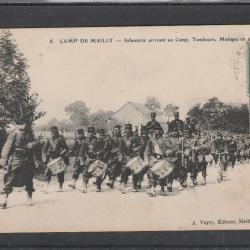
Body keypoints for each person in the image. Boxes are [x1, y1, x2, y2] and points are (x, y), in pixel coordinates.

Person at [0, 120, 38, 209]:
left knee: (29, 178)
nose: (23, 128)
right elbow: (6, 147)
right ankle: (4, 199)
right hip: (16, 158)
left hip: (28, 159)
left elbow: (37, 142)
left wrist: (32, 144)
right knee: (10, 177)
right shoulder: (14, 133)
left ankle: (29, 197)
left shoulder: (30, 133)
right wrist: (3, 160)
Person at [42, 126, 69, 193]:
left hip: (59, 157)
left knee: (60, 173)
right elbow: (44, 149)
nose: (53, 133)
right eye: (52, 132)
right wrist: (44, 158)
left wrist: (61, 153)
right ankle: (46, 187)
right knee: (48, 171)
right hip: (51, 158)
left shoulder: (61, 139)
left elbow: (66, 148)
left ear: (57, 132)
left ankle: (60, 187)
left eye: (54, 132)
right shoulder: (49, 139)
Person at [144, 126, 168, 196]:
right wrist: (146, 160)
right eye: (154, 130)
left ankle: (162, 188)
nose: (155, 131)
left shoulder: (164, 140)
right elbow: (146, 152)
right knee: (151, 172)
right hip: (153, 159)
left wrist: (169, 151)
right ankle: (152, 189)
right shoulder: (151, 140)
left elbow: (169, 148)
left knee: (162, 172)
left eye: (157, 130)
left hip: (162, 158)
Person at [119, 124, 141, 193]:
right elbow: (120, 150)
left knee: (135, 170)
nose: (127, 130)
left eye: (129, 129)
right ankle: (124, 184)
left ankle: (135, 185)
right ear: (124, 130)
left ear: (131, 130)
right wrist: (121, 156)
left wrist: (136, 150)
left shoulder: (135, 138)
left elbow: (140, 146)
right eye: (126, 129)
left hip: (133, 157)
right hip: (126, 157)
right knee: (123, 170)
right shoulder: (122, 139)